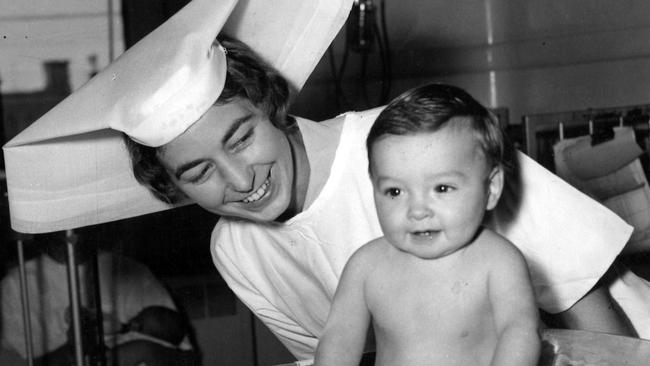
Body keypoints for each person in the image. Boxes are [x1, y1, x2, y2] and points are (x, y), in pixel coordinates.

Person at [122, 34, 642, 361]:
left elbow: (585, 300)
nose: (238, 180)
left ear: (268, 104)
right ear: (172, 186)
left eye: (241, 138)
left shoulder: (420, 144)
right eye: (197, 171)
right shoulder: (236, 251)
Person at [313, 83, 540, 366]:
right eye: (395, 192)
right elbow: (339, 340)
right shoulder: (365, 266)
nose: (417, 211)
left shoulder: (498, 261)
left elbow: (519, 332)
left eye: (442, 188)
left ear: (491, 188)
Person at [0, 229, 197, 365]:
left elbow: (187, 358)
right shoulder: (16, 287)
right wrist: (73, 350)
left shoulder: (131, 271)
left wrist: (143, 349)